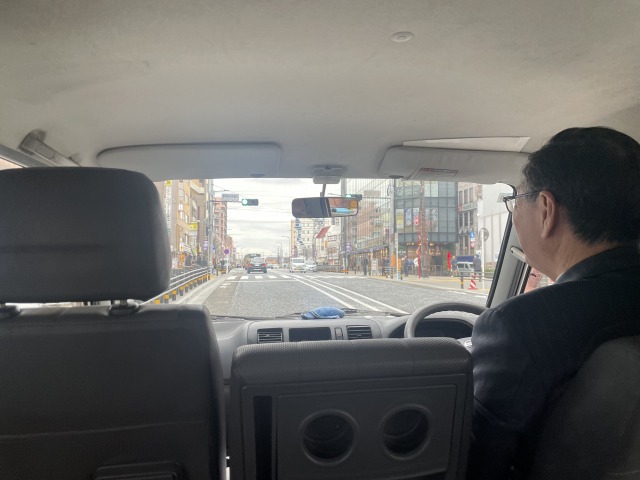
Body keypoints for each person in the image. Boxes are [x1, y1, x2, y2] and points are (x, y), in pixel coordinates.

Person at [468, 126, 640, 479]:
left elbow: (476, 461)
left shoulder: (520, 325)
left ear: (546, 210)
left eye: (516, 203)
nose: (515, 215)